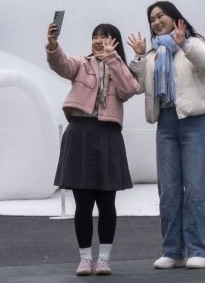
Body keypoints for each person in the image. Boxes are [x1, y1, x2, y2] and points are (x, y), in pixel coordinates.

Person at [128, 2, 205, 271]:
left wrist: (185, 44)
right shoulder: (155, 54)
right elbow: (140, 87)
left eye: (161, 16)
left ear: (174, 17)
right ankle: (172, 250)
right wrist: (139, 58)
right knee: (168, 190)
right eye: (152, 19)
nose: (157, 21)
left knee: (195, 189)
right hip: (166, 123)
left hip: (194, 122)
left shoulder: (194, 42)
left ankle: (198, 249)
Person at [47, 21, 142, 277]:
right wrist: (53, 46)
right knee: (83, 203)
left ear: (115, 42)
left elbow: (130, 88)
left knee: (107, 201)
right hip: (79, 132)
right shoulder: (82, 63)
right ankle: (85, 259)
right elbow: (62, 65)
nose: (98, 41)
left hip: (108, 134)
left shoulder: (119, 66)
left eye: (105, 37)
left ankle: (104, 259)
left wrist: (112, 59)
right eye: (95, 36)